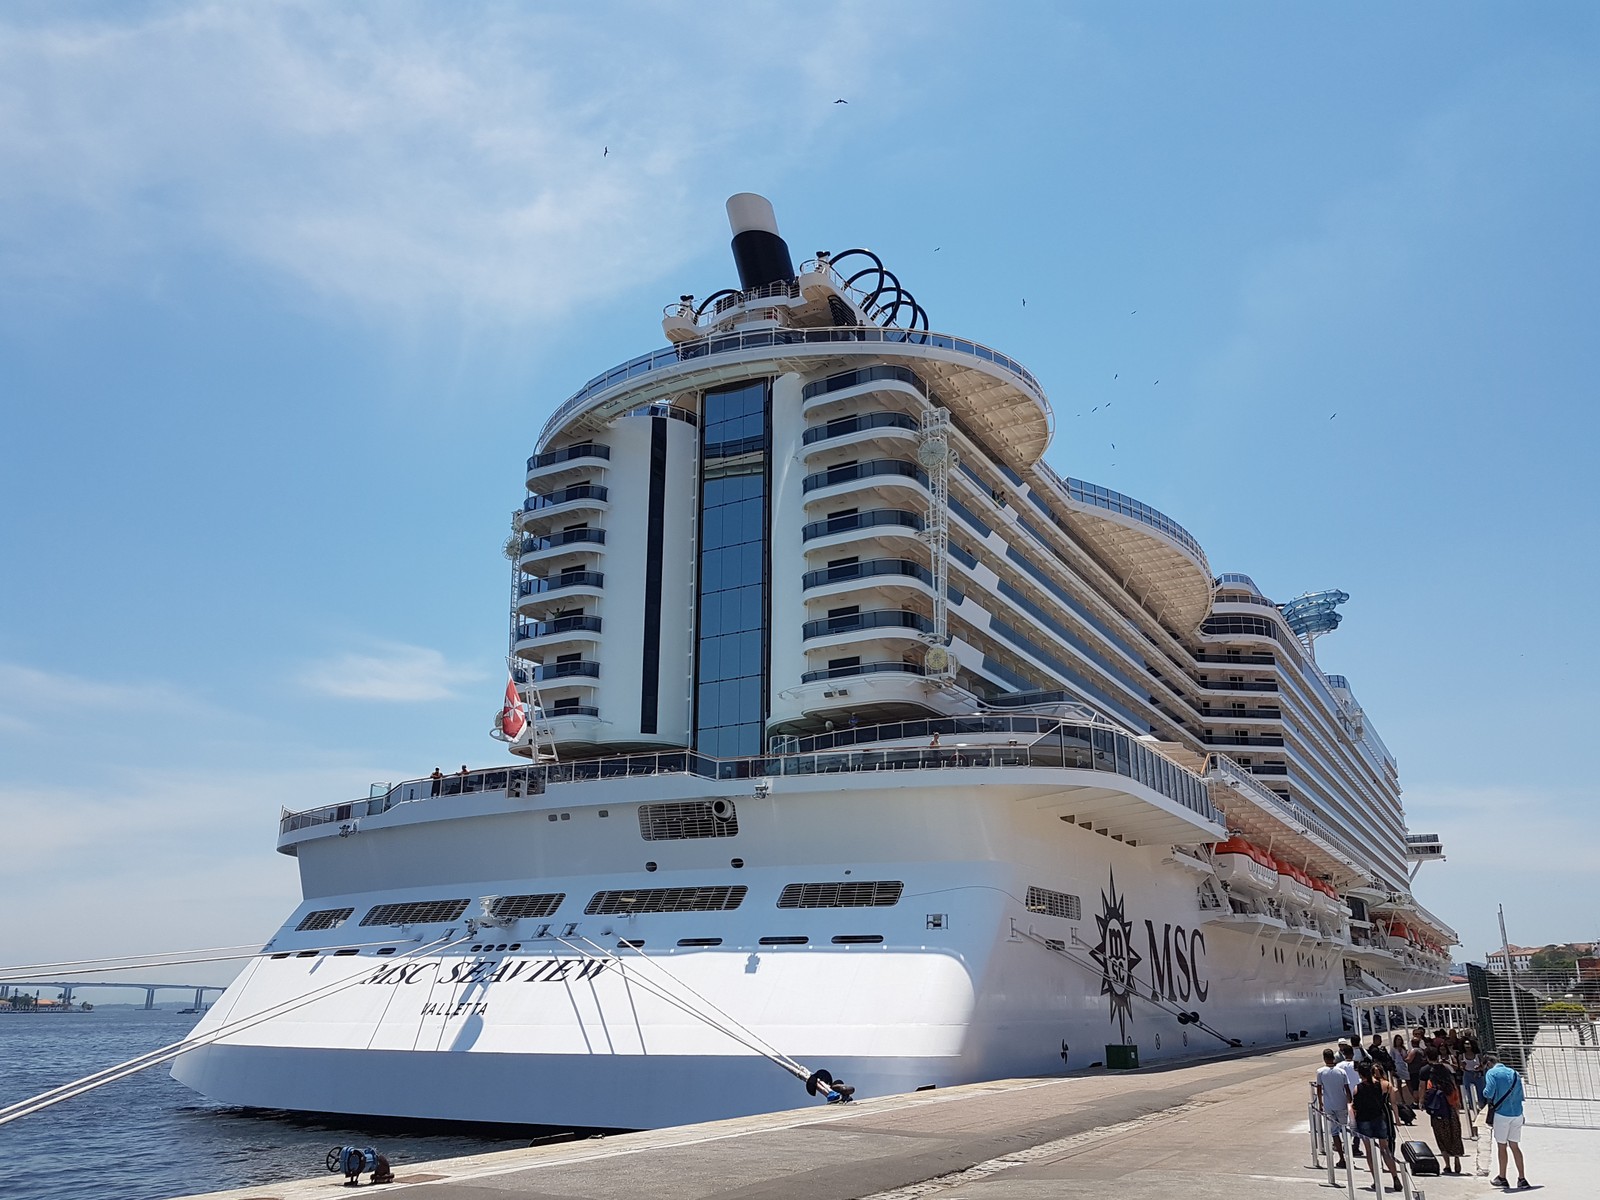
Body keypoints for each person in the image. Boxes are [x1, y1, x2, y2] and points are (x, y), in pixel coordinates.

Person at [1350, 1061, 1404, 1192]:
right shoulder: (1379, 1085)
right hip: (1379, 1118)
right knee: (1385, 1149)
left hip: (1364, 1120)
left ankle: (1376, 1180)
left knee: (1369, 1151)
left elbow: (1355, 1106)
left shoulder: (1358, 1088)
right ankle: (1395, 1176)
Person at [1481, 1053, 1531, 1189]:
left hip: (1502, 1114)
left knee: (1502, 1146)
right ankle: (1522, 1178)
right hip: (1517, 1113)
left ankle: (1502, 1177)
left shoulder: (1491, 1073)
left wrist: (1485, 1091)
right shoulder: (1514, 1073)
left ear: (1488, 1064)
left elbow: (1488, 1093)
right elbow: (1521, 1095)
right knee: (1515, 1146)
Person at [1419, 1046, 1465, 1174]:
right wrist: (1457, 1101)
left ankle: (1447, 1165)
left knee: (1440, 1134)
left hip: (1437, 1107)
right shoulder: (1446, 1068)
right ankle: (1456, 1159)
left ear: (1427, 1057)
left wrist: (1421, 1101)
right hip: (1450, 1105)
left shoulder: (1424, 1070)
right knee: (1455, 1132)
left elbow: (1422, 1087)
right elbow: (1453, 1084)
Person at [1315, 1047, 1353, 1168]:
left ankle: (1342, 1158)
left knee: (1335, 1132)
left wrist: (1320, 1103)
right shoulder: (1341, 1072)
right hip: (1342, 1104)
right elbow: (1347, 1089)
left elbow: (1319, 1089)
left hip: (1329, 1105)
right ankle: (1349, 1157)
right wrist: (1350, 1103)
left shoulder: (1320, 1072)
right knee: (1345, 1130)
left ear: (1325, 1058)